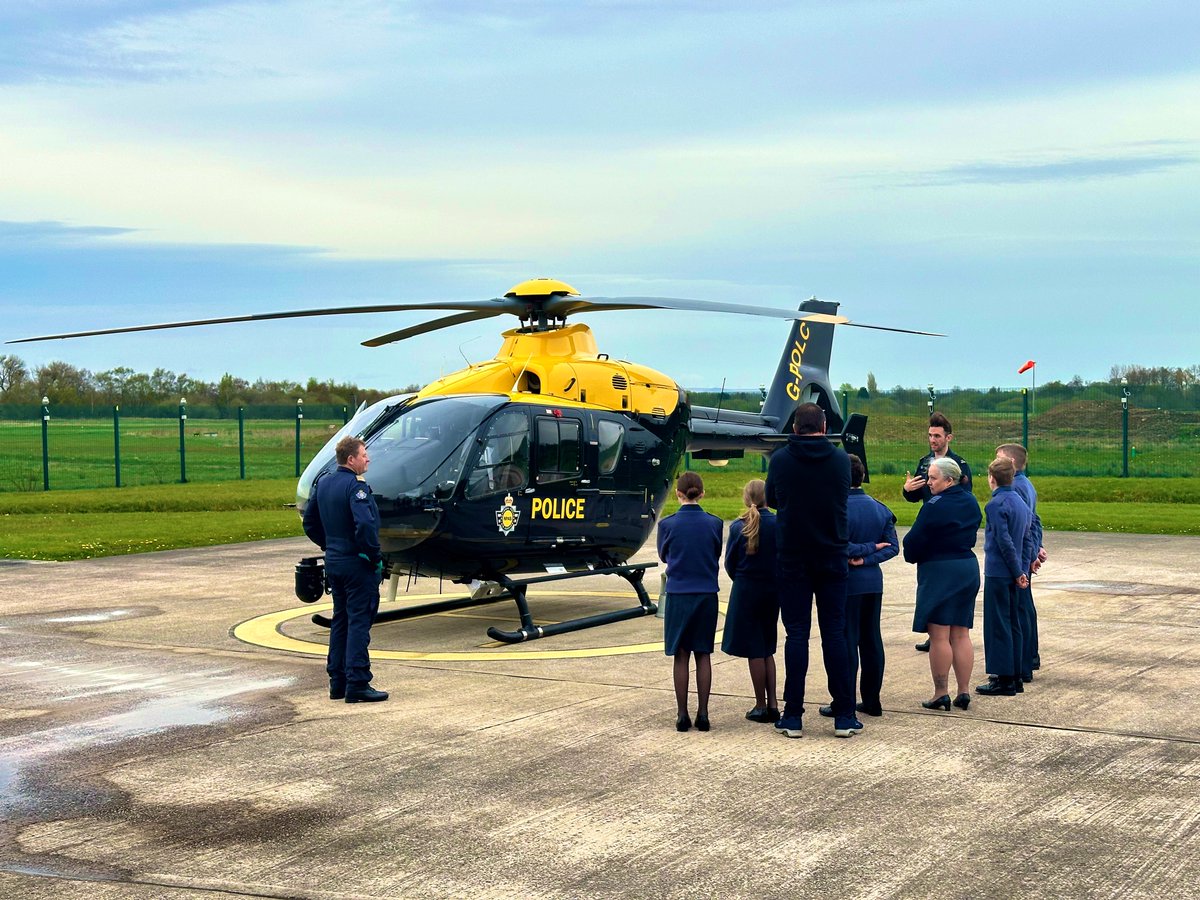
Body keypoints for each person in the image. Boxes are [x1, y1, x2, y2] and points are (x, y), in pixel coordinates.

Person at [765, 402, 860, 739]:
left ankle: (793, 715)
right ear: (823, 425)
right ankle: (845, 714)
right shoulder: (839, 460)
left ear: (794, 427)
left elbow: (772, 500)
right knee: (834, 632)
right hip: (832, 553)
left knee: (797, 635)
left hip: (793, 556)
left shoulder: (780, 460)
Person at [302, 435, 388, 704]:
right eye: (364, 455)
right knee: (359, 621)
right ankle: (358, 681)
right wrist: (373, 556)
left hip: (335, 563)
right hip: (356, 565)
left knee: (341, 621)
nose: (368, 459)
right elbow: (365, 525)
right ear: (351, 459)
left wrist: (330, 546)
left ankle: (337, 681)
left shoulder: (324, 482)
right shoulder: (356, 488)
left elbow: (310, 522)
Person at [819, 455, 899, 719]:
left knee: (846, 640)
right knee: (871, 640)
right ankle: (872, 699)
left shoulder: (835, 508)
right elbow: (892, 547)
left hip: (844, 582)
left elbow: (834, 545)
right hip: (872, 583)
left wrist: (860, 554)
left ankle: (844, 699)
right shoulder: (880, 508)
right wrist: (868, 556)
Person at [902, 456, 982, 712]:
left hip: (940, 570)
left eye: (933, 478)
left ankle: (940, 692)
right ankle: (964, 691)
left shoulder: (934, 505)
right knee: (961, 632)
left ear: (949, 480)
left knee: (939, 635)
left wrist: (912, 555)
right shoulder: (971, 501)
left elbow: (914, 540)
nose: (928, 482)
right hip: (967, 567)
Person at [657, 471, 724, 732]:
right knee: (703, 653)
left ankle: (682, 713)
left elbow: (664, 556)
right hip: (706, 592)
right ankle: (704, 713)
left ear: (678, 494)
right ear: (702, 493)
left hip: (679, 593)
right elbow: (715, 551)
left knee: (681, 655)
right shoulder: (714, 523)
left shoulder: (668, 525)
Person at [903, 412, 973, 653]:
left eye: (937, 436)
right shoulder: (924, 463)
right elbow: (916, 495)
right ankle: (935, 634)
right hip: (929, 526)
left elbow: (965, 496)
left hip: (949, 531)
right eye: (930, 435)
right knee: (929, 586)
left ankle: (944, 635)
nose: (932, 440)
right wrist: (907, 490)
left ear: (948, 438)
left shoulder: (959, 465)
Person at [721, 479, 780, 724]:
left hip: (747, 589)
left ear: (747, 498)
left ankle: (760, 704)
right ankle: (774, 702)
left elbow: (730, 564)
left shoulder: (738, 527)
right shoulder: (779, 524)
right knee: (767, 646)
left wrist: (744, 578)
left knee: (755, 648)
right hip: (773, 588)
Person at [976, 456, 1034, 697]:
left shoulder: (996, 504)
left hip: (999, 572)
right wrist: (1021, 570)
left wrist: (1015, 570)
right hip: (1014, 572)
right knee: (1013, 623)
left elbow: (1003, 541)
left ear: (992, 478)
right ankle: (1017, 673)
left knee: (997, 624)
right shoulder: (1020, 502)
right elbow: (1027, 539)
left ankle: (1003, 677)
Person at [997, 443, 1046, 681]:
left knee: (1020, 609)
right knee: (1024, 608)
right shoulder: (1022, 484)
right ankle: (1029, 657)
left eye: (999, 459)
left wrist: (1030, 556)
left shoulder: (1017, 487)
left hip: (1018, 558)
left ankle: (1024, 661)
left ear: (1012, 463)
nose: (994, 463)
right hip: (1023, 555)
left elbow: (1028, 525)